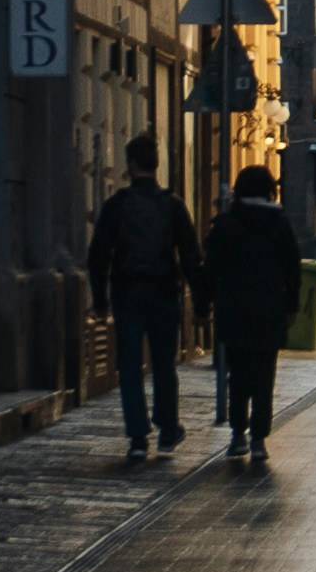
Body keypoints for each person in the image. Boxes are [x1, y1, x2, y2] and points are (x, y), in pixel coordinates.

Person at [87, 133, 206, 466]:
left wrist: (99, 301)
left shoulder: (117, 205)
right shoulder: (172, 204)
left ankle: (138, 438)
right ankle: (168, 428)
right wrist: (199, 302)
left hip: (126, 294)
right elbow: (191, 255)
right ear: (155, 165)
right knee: (165, 365)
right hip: (164, 294)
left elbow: (98, 254)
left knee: (128, 367)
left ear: (131, 165)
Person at [203, 162, 304, 465]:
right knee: (264, 376)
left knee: (238, 375)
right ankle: (259, 438)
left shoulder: (226, 223)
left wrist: (202, 302)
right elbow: (293, 269)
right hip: (269, 311)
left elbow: (212, 268)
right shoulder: (280, 224)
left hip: (233, 310)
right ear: (270, 191)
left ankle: (237, 435)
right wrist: (291, 306)